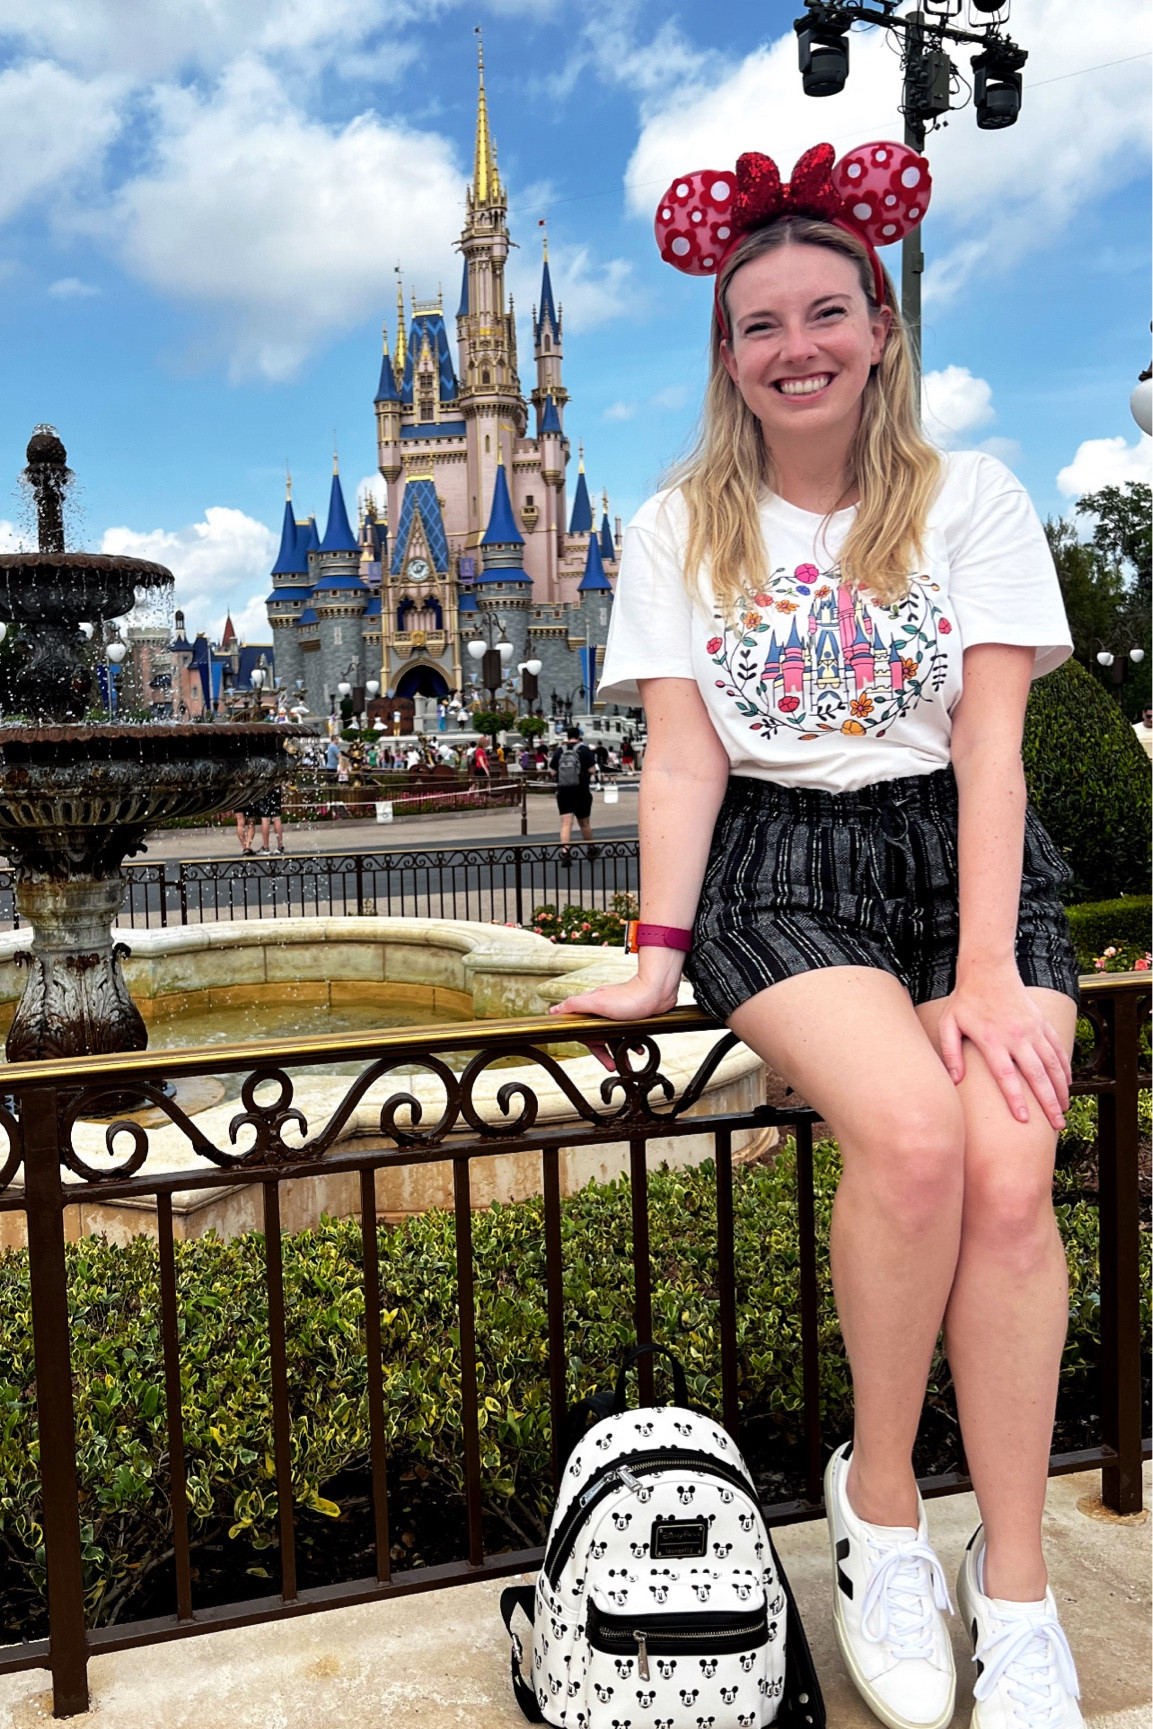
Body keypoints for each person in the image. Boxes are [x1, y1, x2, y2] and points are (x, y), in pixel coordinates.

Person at [552, 140, 1085, 1729]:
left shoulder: (968, 496)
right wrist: (656, 947)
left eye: (824, 314)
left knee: (1007, 1172)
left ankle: (1021, 1592)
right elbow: (684, 752)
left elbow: (990, 747)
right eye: (758, 322)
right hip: (782, 870)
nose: (795, 347)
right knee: (916, 1141)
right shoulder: (675, 527)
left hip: (963, 861)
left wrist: (986, 964)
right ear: (725, 355)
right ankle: (878, 1511)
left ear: (878, 328)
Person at [551, 725, 598, 866]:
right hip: (581, 791)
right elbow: (593, 770)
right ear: (579, 736)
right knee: (584, 823)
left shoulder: (560, 751)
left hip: (564, 791)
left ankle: (565, 853)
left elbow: (552, 772)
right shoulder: (584, 751)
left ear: (567, 736)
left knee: (566, 823)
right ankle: (590, 849)